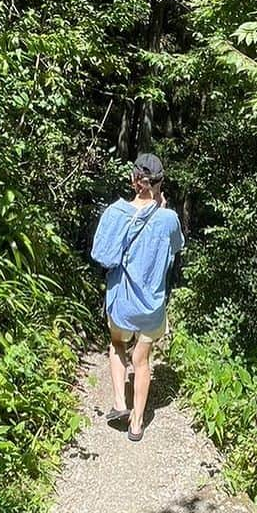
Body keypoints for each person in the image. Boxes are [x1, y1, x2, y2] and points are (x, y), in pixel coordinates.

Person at [91, 153, 185, 442]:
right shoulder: (169, 219)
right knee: (142, 361)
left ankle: (119, 402)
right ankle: (136, 424)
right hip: (152, 307)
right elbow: (177, 247)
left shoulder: (115, 213)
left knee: (118, 344)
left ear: (134, 180)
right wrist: (163, 210)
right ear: (159, 183)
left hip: (122, 303)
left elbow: (100, 255)